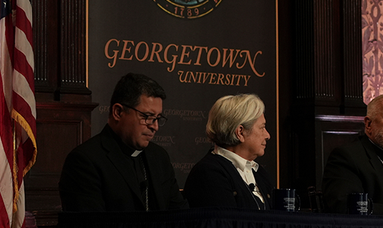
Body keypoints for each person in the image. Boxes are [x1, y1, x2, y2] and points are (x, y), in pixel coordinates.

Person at [59, 73, 186, 211]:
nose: (155, 126)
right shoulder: (85, 161)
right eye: (147, 117)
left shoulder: (159, 157)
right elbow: (91, 223)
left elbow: (179, 214)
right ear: (118, 112)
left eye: (157, 118)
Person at [183, 94, 274, 210]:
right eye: (262, 128)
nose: (267, 135)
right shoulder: (209, 173)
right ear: (240, 132)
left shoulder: (259, 173)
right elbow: (225, 220)